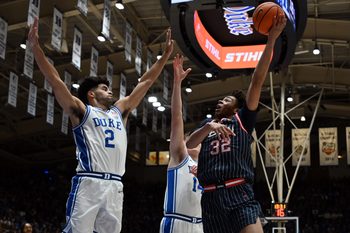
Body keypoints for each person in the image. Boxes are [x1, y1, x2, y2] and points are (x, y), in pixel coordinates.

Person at [27, 17, 174, 233]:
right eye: (105, 88)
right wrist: (36, 49)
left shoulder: (119, 111)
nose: (110, 91)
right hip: (89, 183)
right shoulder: (82, 111)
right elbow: (55, 80)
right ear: (91, 93)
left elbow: (146, 82)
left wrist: (164, 58)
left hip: (115, 186)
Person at [186, 14, 287, 233]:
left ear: (236, 107)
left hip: (239, 191)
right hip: (211, 197)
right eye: (220, 100)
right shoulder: (207, 125)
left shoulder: (243, 119)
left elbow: (257, 79)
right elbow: (188, 145)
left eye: (227, 100)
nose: (221, 101)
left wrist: (271, 40)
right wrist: (208, 127)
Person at [160, 54, 203, 233]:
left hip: (200, 225)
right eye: (188, 138)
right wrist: (177, 83)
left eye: (199, 141)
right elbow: (177, 118)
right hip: (177, 223)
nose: (196, 143)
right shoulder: (180, 157)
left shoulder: (206, 170)